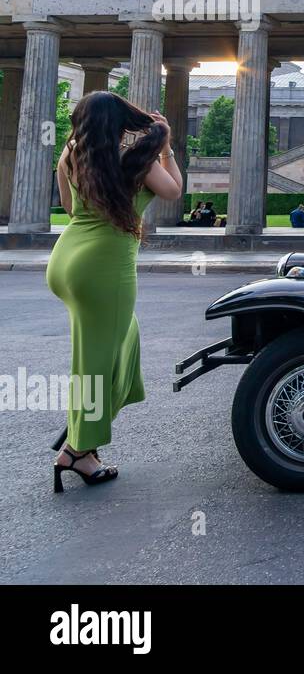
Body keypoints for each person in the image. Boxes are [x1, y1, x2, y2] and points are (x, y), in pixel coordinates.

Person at [46, 91, 183, 493]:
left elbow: (71, 210)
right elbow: (173, 191)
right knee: (95, 362)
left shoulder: (71, 154)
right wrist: (166, 149)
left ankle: (82, 425)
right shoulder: (135, 161)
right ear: (119, 122)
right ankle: (77, 451)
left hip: (67, 260)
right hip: (105, 267)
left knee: (117, 344)